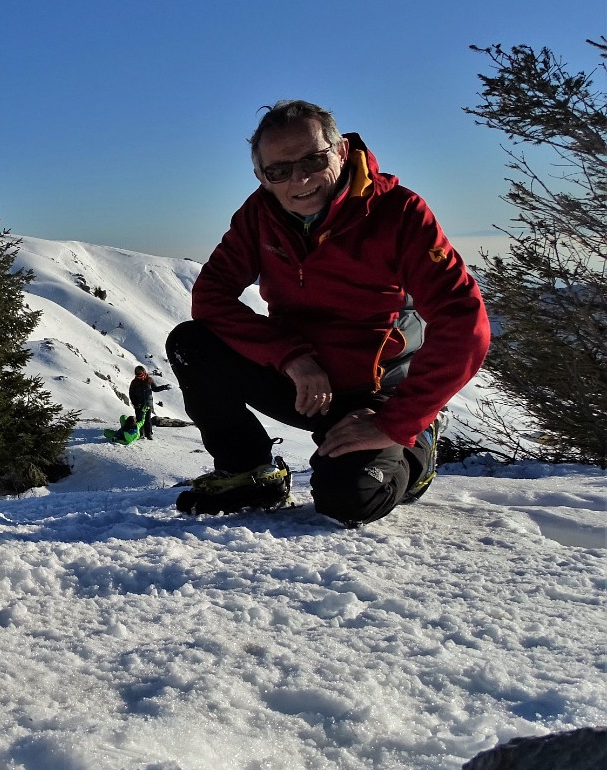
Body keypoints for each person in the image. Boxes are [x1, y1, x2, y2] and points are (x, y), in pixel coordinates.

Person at [166, 100, 490, 527]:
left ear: (339, 151)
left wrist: (395, 422)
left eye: (313, 160)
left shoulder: (398, 213)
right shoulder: (260, 214)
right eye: (278, 171)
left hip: (375, 392)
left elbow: (465, 324)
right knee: (193, 344)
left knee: (348, 500)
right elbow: (211, 297)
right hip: (304, 382)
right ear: (261, 176)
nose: (299, 180)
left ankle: (417, 450)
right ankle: (248, 472)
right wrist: (290, 356)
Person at [129, 366, 156, 440]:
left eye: (141, 374)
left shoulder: (149, 380)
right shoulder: (134, 382)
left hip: (148, 404)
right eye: (138, 375)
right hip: (139, 404)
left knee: (148, 419)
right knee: (139, 419)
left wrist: (164, 387)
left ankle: (149, 434)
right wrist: (135, 403)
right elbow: (131, 394)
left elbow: (155, 389)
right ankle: (140, 434)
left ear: (144, 372)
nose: (139, 376)